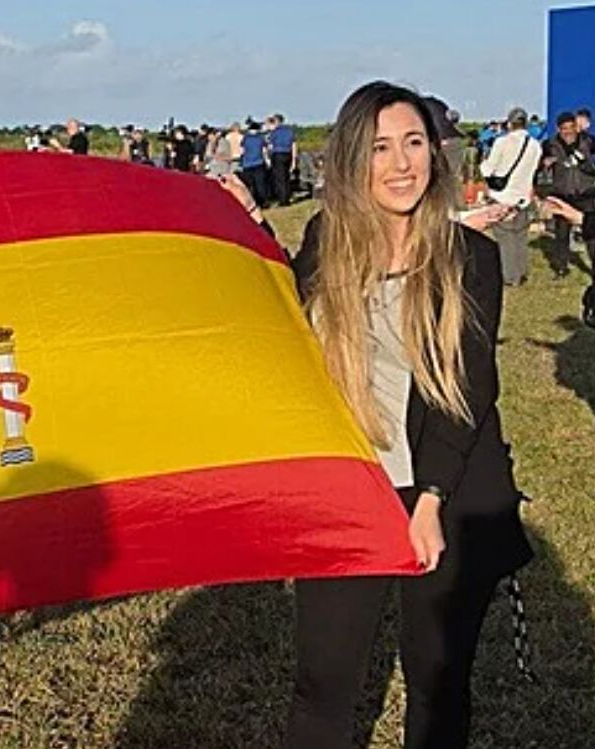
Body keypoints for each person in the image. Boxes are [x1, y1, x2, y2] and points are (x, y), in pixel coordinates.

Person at [243, 80, 532, 749]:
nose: (402, 163)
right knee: (323, 681)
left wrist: (428, 500)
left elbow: (466, 387)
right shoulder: (327, 239)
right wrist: (250, 225)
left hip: (445, 488)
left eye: (414, 142)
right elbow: (285, 311)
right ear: (352, 160)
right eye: (380, 147)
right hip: (350, 488)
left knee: (437, 679)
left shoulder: (471, 257)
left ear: (435, 151)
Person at [480, 106, 543, 285]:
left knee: (505, 239)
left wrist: (483, 164)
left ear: (510, 123)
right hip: (523, 197)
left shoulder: (502, 142)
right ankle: (522, 271)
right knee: (520, 237)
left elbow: (488, 169)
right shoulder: (535, 145)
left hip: (502, 196)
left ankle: (510, 276)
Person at [542, 112, 595, 277]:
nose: (568, 132)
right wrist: (545, 163)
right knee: (561, 234)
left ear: (576, 127)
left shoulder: (588, 141)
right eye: (564, 129)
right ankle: (561, 267)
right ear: (558, 129)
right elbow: (540, 164)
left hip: (586, 193)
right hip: (562, 194)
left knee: (591, 233)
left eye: (571, 127)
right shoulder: (549, 144)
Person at [267, 114, 298, 205]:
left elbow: (270, 145)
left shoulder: (275, 132)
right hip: (288, 154)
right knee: (286, 177)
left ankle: (283, 200)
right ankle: (287, 196)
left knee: (279, 178)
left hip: (278, 154)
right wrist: (294, 159)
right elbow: (294, 145)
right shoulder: (289, 131)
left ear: (276, 121)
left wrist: (268, 157)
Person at [239, 120, 270, 207]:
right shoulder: (261, 138)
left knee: (250, 185)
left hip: (247, 164)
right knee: (260, 184)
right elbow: (264, 151)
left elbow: (242, 151)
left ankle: (253, 202)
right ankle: (263, 202)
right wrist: (267, 161)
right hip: (259, 163)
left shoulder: (245, 138)